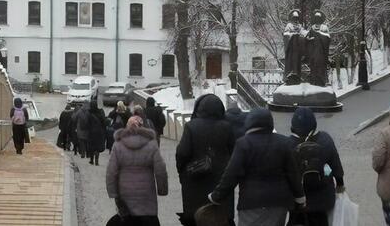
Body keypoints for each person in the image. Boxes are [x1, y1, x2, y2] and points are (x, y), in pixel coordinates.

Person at [208, 108, 305, 226]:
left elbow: (231, 174)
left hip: (251, 203)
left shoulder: (243, 144)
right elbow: (293, 174)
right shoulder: (284, 143)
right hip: (278, 203)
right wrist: (300, 197)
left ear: (249, 122)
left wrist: (217, 196)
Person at [175, 94, 236, 226]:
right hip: (220, 181)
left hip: (195, 180)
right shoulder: (227, 127)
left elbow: (182, 153)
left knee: (197, 217)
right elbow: (234, 153)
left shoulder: (191, 126)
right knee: (219, 217)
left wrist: (182, 171)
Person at [105, 116, 168, 226]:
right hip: (146, 193)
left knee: (127, 220)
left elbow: (111, 172)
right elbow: (160, 170)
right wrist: (162, 189)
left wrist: (113, 192)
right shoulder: (151, 144)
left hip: (125, 193)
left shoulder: (118, 145)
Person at [287, 107, 344, 226]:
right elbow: (336, 165)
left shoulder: (287, 144)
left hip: (298, 200)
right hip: (323, 199)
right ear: (314, 123)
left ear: (293, 125)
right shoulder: (325, 139)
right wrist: (340, 185)